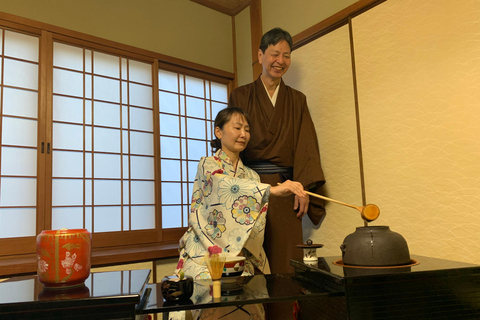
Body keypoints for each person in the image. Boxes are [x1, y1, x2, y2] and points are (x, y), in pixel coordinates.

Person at [170, 107, 307, 320]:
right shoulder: (207, 165)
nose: (243, 134)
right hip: (204, 252)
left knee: (249, 290)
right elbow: (224, 185)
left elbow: (254, 220)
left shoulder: (251, 176)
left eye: (247, 129)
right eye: (237, 127)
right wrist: (271, 190)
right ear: (218, 132)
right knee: (207, 288)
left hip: (239, 255)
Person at [228, 28, 326, 277]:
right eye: (274, 54)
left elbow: (307, 147)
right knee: (247, 263)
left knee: (286, 264)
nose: (280, 61)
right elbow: (230, 144)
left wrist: (303, 187)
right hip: (248, 189)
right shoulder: (241, 95)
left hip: (286, 188)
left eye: (286, 55)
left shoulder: (297, 100)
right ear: (260, 55)